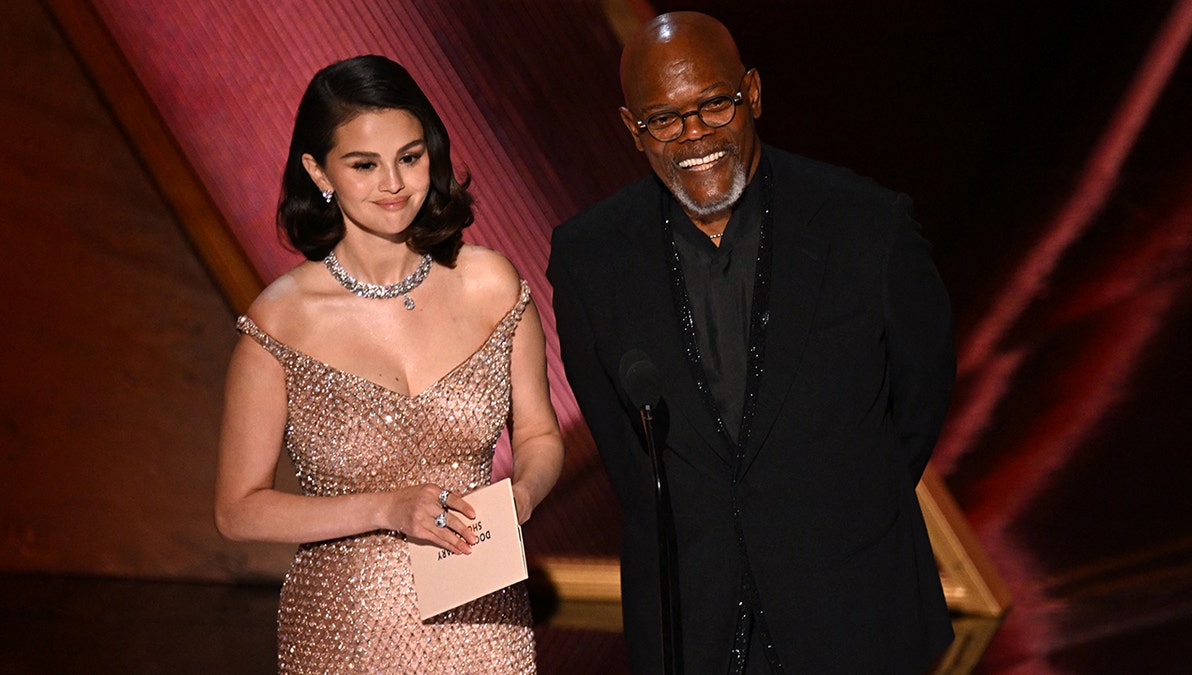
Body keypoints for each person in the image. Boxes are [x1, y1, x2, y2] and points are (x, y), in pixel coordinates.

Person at [548, 12, 955, 674]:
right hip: (693, 623)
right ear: (632, 129)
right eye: (665, 119)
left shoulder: (866, 226)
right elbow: (623, 449)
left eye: (713, 105)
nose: (694, 136)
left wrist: (827, 500)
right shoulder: (589, 256)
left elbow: (919, 393)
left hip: (854, 607)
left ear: (754, 94)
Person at [214, 55, 563, 673]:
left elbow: (537, 433)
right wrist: (384, 508)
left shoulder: (490, 284)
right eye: (364, 165)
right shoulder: (280, 323)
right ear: (318, 171)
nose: (394, 184)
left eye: (409, 157)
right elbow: (238, 509)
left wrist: (522, 498)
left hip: (483, 616)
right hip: (347, 630)